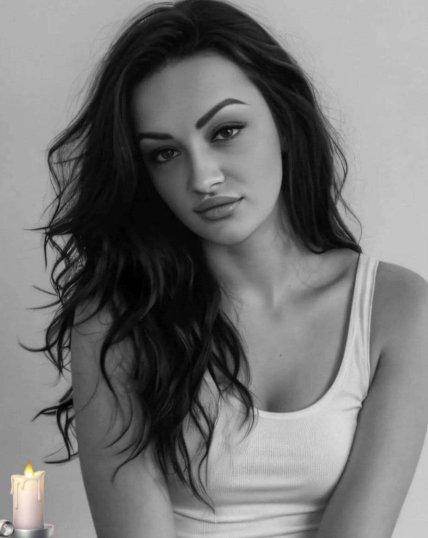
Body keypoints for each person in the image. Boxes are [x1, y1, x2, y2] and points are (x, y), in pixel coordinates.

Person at [31, 0, 428, 536]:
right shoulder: (118, 319)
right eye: (165, 154)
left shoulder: (396, 308)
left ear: (284, 121)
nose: (203, 178)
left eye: (225, 131)